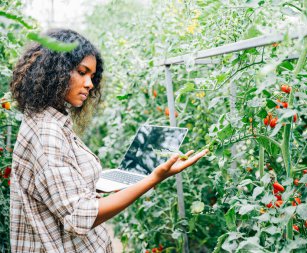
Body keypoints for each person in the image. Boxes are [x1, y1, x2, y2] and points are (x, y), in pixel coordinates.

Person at [9, 28, 208, 253]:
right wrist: (154, 177)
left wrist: (111, 179)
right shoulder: (47, 133)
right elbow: (80, 216)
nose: (89, 84)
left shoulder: (47, 119)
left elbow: (58, 185)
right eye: (82, 72)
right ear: (54, 71)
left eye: (92, 76)